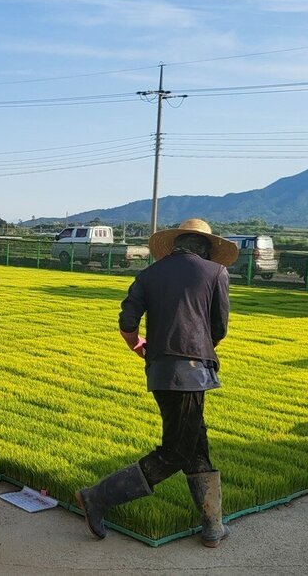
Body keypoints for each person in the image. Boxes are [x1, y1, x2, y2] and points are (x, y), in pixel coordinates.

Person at [75, 218, 237, 548]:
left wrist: (139, 346)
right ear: (205, 248)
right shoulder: (216, 273)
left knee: (195, 443)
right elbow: (218, 329)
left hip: (159, 373)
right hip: (192, 374)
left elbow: (127, 322)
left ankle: (212, 525)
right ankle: (97, 497)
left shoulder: (149, 274)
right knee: (176, 451)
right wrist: (199, 349)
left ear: (177, 244)